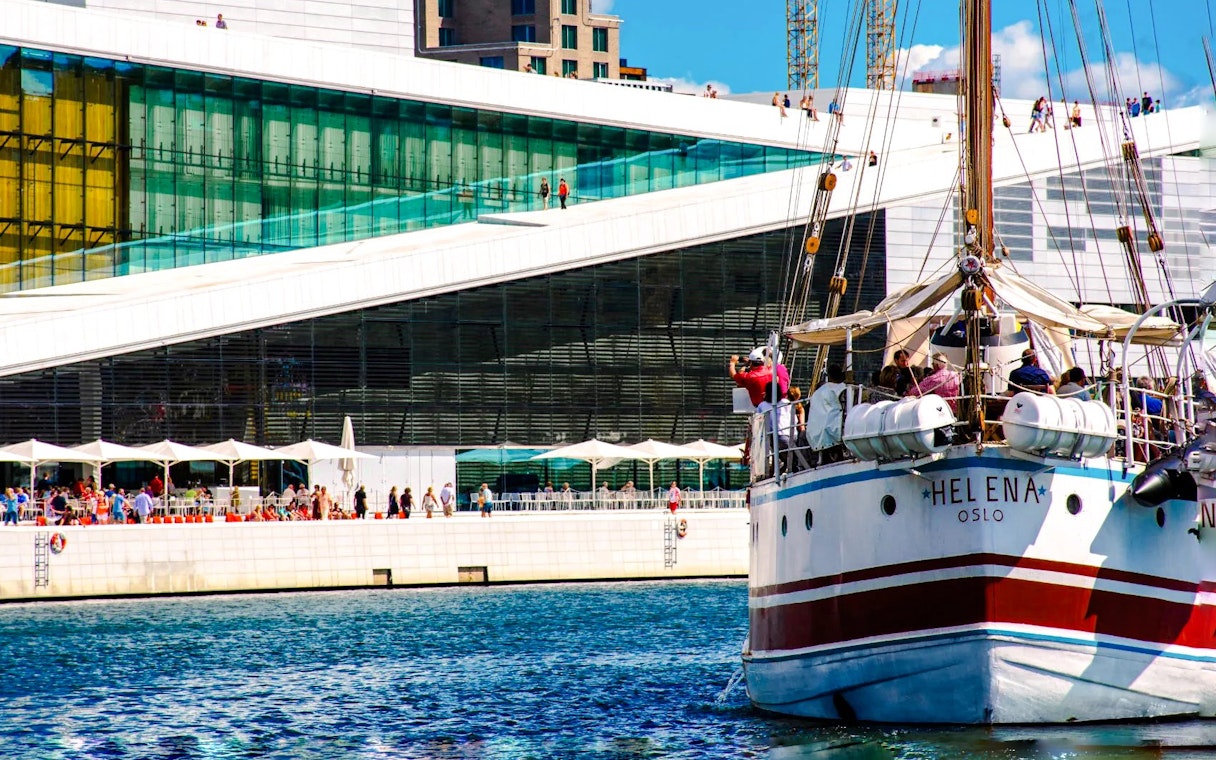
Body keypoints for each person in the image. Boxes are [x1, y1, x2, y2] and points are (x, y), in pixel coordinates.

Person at [807, 364, 848, 451]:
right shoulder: (847, 389)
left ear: (829, 376)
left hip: (820, 433)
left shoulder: (819, 392)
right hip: (843, 428)